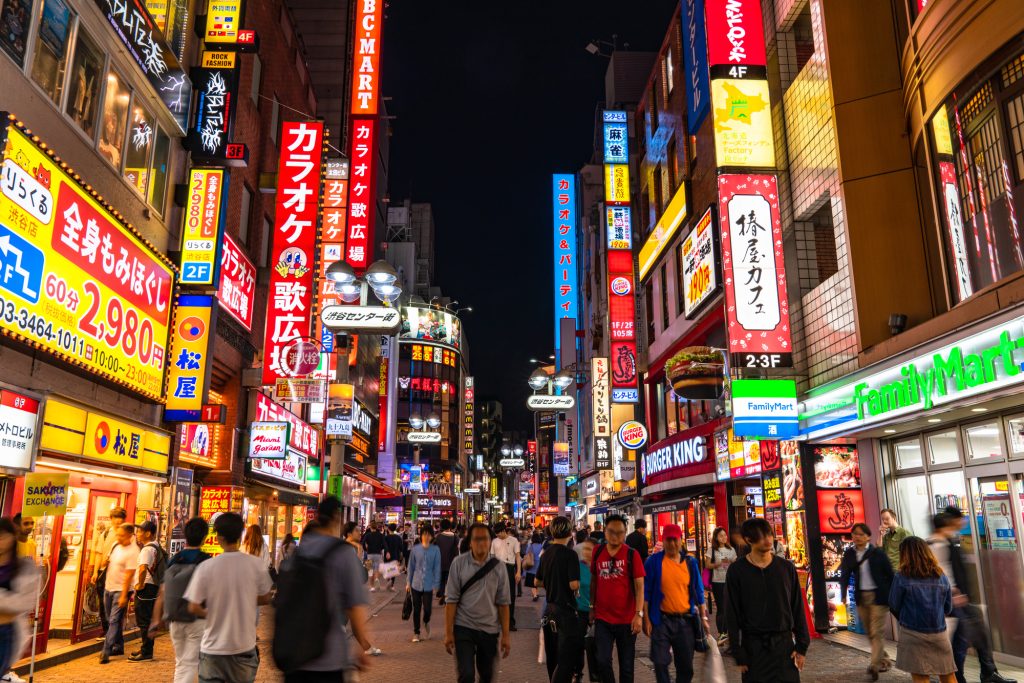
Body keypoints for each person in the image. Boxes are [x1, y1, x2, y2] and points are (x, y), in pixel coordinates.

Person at [278, 496, 373, 681]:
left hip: (294, 654)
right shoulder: (343, 552)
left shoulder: (296, 552)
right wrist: (363, 644)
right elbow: (354, 606)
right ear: (337, 518)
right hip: (329, 656)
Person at [185, 513, 273, 683]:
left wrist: (211, 611)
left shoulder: (206, 567)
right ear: (240, 534)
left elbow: (193, 606)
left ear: (218, 537)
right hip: (244, 649)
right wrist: (245, 599)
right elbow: (266, 597)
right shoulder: (255, 565)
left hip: (212, 650)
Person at [930, 510, 1015, 683]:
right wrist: (953, 592)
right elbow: (940, 573)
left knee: (978, 632)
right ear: (948, 523)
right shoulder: (935, 544)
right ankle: (959, 676)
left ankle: (987, 672)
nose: (962, 523)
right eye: (959, 520)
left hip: (958, 599)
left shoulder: (947, 541)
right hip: (949, 599)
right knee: (962, 640)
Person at [725, 518, 809, 683]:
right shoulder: (737, 570)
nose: (768, 540)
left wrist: (802, 646)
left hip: (784, 647)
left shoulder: (786, 568)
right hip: (754, 649)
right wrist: (737, 650)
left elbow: (797, 607)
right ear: (749, 540)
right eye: (762, 536)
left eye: (769, 534)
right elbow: (732, 613)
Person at [444, 522, 511, 683]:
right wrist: (448, 632)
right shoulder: (458, 564)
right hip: (463, 628)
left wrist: (506, 636)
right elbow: (451, 601)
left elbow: (503, 604)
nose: (481, 543)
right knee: (466, 675)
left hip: (489, 629)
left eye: (485, 539)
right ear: (470, 542)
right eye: (476, 539)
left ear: (490, 541)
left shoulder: (499, 567)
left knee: (487, 675)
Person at [642, 524, 708, 683]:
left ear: (681, 541)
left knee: (685, 667)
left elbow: (699, 592)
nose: (672, 544)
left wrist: (704, 618)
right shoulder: (653, 562)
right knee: (659, 662)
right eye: (668, 540)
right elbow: (646, 593)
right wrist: (646, 619)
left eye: (675, 540)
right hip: (661, 621)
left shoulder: (690, 563)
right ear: (663, 541)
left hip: (685, 621)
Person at [150, 517, 211, 683]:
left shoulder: (175, 559)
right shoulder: (206, 560)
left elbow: (162, 592)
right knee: (191, 663)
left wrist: (156, 620)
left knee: (181, 662)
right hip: (198, 618)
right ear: (205, 536)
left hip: (175, 618)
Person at [888, 536, 956, 683]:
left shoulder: (901, 577)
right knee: (948, 675)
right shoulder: (941, 576)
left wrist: (905, 618)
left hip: (912, 634)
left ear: (904, 554)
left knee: (921, 677)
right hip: (939, 634)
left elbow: (893, 605)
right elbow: (948, 607)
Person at [590, 513, 646, 683]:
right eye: (611, 532)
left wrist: (639, 614)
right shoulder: (597, 551)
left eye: (620, 532)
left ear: (625, 533)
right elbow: (594, 580)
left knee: (627, 667)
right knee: (602, 660)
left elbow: (639, 585)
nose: (616, 536)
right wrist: (592, 607)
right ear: (605, 532)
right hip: (603, 619)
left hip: (627, 620)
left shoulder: (632, 554)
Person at [838, 523, 894, 680]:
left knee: (876, 632)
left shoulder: (878, 553)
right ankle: (884, 659)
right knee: (870, 632)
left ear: (868, 536)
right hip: (861, 597)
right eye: (855, 534)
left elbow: (890, 575)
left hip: (879, 597)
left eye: (861, 534)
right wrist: (843, 593)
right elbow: (844, 574)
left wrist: (892, 594)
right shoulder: (849, 554)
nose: (857, 537)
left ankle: (874, 665)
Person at [537, 516, 581, 683]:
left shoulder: (546, 553)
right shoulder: (570, 555)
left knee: (553, 656)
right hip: (566, 611)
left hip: (549, 610)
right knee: (566, 659)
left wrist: (551, 582)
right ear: (569, 533)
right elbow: (573, 585)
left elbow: (537, 581)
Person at [99, 523, 139, 664]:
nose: (118, 537)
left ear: (130, 535)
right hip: (108, 587)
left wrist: (123, 595)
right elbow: (108, 561)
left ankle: (106, 650)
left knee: (114, 620)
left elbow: (129, 575)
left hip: (121, 590)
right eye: (118, 534)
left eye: (121, 535)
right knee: (111, 619)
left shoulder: (134, 551)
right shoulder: (116, 545)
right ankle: (119, 645)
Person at [130, 520, 165, 661]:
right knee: (147, 620)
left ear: (148, 533)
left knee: (144, 621)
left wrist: (139, 584)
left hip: (146, 588)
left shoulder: (147, 550)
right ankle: (145, 648)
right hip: (152, 587)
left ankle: (146, 652)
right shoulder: (155, 546)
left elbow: (143, 568)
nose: (137, 534)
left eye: (140, 531)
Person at [90, 507, 127, 636]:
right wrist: (95, 572)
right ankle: (106, 630)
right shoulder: (105, 533)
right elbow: (98, 553)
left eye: (120, 519)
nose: (117, 521)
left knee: (116, 605)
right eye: (115, 518)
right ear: (111, 519)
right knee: (103, 603)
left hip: (118, 573)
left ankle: (114, 634)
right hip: (103, 572)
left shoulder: (127, 535)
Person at [408, 524, 441, 642]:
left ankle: (426, 621)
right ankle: (416, 633)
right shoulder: (415, 549)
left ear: (432, 536)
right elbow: (411, 567)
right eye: (424, 534)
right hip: (415, 583)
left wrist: (436, 585)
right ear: (421, 535)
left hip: (429, 584)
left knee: (427, 609)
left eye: (429, 534)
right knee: (416, 609)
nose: (426, 536)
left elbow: (437, 567)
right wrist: (408, 582)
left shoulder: (436, 550)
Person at [575, 537, 600, 683]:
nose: (585, 552)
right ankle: (578, 672)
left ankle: (595, 676)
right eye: (584, 549)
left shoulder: (600, 567)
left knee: (594, 646)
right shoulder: (577, 566)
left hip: (597, 613)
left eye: (589, 549)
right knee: (579, 644)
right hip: (580, 611)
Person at [706, 526, 736, 645]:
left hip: (730, 581)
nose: (724, 537)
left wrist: (733, 562)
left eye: (725, 535)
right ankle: (721, 633)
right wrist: (717, 564)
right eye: (721, 536)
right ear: (716, 538)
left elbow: (736, 562)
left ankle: (729, 633)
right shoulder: (712, 550)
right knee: (721, 607)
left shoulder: (731, 549)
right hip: (717, 581)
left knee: (730, 607)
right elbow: (708, 565)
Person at [491, 523, 521, 631]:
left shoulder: (514, 540)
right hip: (497, 568)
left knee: (511, 595)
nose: (498, 535)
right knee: (496, 595)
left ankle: (510, 622)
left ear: (504, 530)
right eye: (496, 534)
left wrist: (518, 572)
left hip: (509, 568)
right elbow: (492, 557)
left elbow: (518, 557)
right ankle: (497, 621)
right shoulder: (494, 541)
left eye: (499, 533)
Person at [435, 519, 459, 605]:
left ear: (441, 526)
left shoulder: (438, 537)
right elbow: (456, 550)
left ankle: (441, 595)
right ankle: (446, 596)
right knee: (449, 581)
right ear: (450, 526)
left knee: (441, 580)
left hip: (440, 562)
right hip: (451, 562)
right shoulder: (455, 536)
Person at [879, 508, 909, 572]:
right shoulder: (886, 536)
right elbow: (879, 550)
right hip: (888, 571)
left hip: (900, 571)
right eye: (883, 519)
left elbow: (911, 553)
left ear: (894, 518)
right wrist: (880, 534)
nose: (884, 521)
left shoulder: (904, 533)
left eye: (887, 519)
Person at [362, 520, 387, 592]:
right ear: (376, 527)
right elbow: (384, 544)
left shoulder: (367, 535)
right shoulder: (380, 535)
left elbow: (363, 543)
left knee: (370, 570)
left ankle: (372, 587)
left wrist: (365, 549)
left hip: (369, 554)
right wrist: (381, 548)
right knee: (376, 569)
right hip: (378, 554)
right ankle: (376, 579)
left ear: (370, 527)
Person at [383, 524, 405, 591]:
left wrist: (387, 552)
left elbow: (384, 546)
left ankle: (388, 579)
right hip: (395, 555)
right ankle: (392, 586)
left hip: (387, 556)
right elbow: (401, 548)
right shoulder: (398, 537)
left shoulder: (386, 537)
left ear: (388, 529)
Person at [524, 530, 544, 601]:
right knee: (536, 581)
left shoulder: (530, 546)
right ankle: (537, 593)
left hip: (531, 565)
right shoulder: (541, 546)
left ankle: (535, 595)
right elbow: (542, 555)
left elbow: (527, 553)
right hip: (539, 565)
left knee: (531, 582)